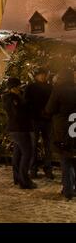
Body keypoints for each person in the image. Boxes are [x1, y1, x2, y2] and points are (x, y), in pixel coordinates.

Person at [45, 68, 76, 200]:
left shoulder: (58, 90)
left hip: (62, 129)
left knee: (65, 160)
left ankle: (68, 190)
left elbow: (49, 109)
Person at [3, 78, 36, 189]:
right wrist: (27, 108)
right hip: (20, 129)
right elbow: (18, 114)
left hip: (17, 129)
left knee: (18, 153)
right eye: (18, 86)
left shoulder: (15, 97)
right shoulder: (12, 99)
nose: (20, 88)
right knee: (27, 153)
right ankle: (24, 180)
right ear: (13, 87)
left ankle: (17, 177)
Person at [25, 67, 54, 179]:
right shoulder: (30, 87)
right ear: (36, 76)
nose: (42, 76)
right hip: (35, 119)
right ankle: (33, 169)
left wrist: (48, 112)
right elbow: (26, 103)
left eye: (44, 74)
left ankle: (48, 169)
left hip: (47, 120)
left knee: (48, 146)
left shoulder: (50, 87)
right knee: (33, 146)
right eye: (40, 74)